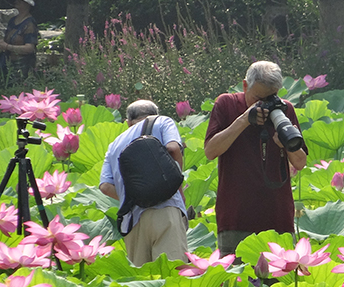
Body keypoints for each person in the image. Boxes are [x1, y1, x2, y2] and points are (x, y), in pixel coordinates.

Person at [204, 61, 308, 256]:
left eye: (272, 97)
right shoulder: (226, 104)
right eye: (258, 98)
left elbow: (300, 162)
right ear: (245, 86)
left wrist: (284, 144)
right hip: (236, 217)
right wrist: (244, 119)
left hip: (278, 218)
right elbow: (210, 151)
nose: (265, 104)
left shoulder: (285, 110)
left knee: (278, 285)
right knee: (237, 282)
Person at [100, 100, 188, 266]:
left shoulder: (114, 145)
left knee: (143, 283)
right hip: (166, 210)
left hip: (133, 221)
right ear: (156, 114)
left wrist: (136, 195)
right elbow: (173, 148)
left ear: (128, 122)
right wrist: (178, 188)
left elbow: (105, 186)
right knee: (171, 275)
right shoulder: (163, 122)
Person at [0, 0, 38, 81]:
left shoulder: (30, 23)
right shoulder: (12, 21)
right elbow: (4, 43)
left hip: (21, 67)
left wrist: (9, 47)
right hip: (7, 64)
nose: (17, 1)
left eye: (20, 0)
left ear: (28, 4)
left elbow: (30, 48)